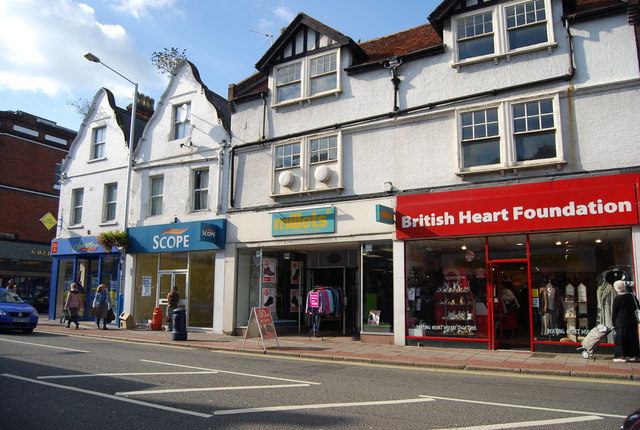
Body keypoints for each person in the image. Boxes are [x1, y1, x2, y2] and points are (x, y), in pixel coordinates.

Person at [611, 280, 640, 363]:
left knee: (621, 339)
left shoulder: (617, 299)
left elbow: (614, 312)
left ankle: (621, 356)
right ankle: (635, 355)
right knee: (632, 338)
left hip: (621, 322)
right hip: (632, 321)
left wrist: (613, 323)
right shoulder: (632, 296)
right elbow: (637, 306)